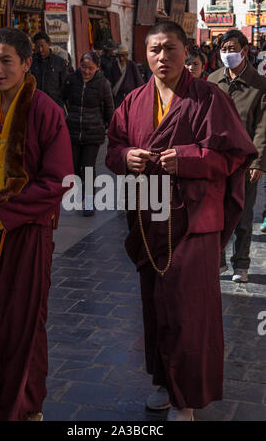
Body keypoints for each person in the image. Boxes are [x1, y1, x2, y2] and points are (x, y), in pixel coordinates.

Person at [105, 21, 257, 422]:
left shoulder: (208, 98)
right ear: (146, 53)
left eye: (169, 49)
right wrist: (125, 158)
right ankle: (163, 381)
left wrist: (191, 159)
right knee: (155, 305)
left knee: (188, 311)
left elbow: (236, 156)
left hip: (193, 222)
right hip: (148, 217)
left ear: (185, 51)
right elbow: (113, 148)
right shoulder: (133, 100)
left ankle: (185, 398)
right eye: (154, 50)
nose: (161, 57)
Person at [0, 27, 73, 421]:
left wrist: (3, 213)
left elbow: (58, 179)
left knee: (23, 321)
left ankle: (25, 405)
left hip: (26, 231)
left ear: (27, 64)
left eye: (5, 60)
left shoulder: (45, 110)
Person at [208, 30, 266, 283]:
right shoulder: (212, 80)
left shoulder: (259, 85)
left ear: (244, 50)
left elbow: (264, 126)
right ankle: (217, 261)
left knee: (243, 215)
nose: (227, 52)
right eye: (223, 48)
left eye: (232, 47)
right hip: (216, 161)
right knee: (214, 213)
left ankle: (241, 265)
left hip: (244, 162)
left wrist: (259, 162)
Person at [63, 50, 114, 216]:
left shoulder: (103, 84)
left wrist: (110, 130)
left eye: (90, 68)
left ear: (97, 68)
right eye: (84, 67)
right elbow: (61, 99)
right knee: (74, 168)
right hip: (73, 131)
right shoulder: (71, 80)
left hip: (93, 133)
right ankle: (80, 193)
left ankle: (89, 201)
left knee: (88, 168)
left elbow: (109, 109)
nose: (86, 71)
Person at [30, 31, 69, 109]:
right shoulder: (31, 62)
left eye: (42, 46)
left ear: (49, 44)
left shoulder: (59, 62)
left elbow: (65, 85)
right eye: (37, 47)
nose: (40, 50)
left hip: (54, 104)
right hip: (36, 104)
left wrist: (61, 102)